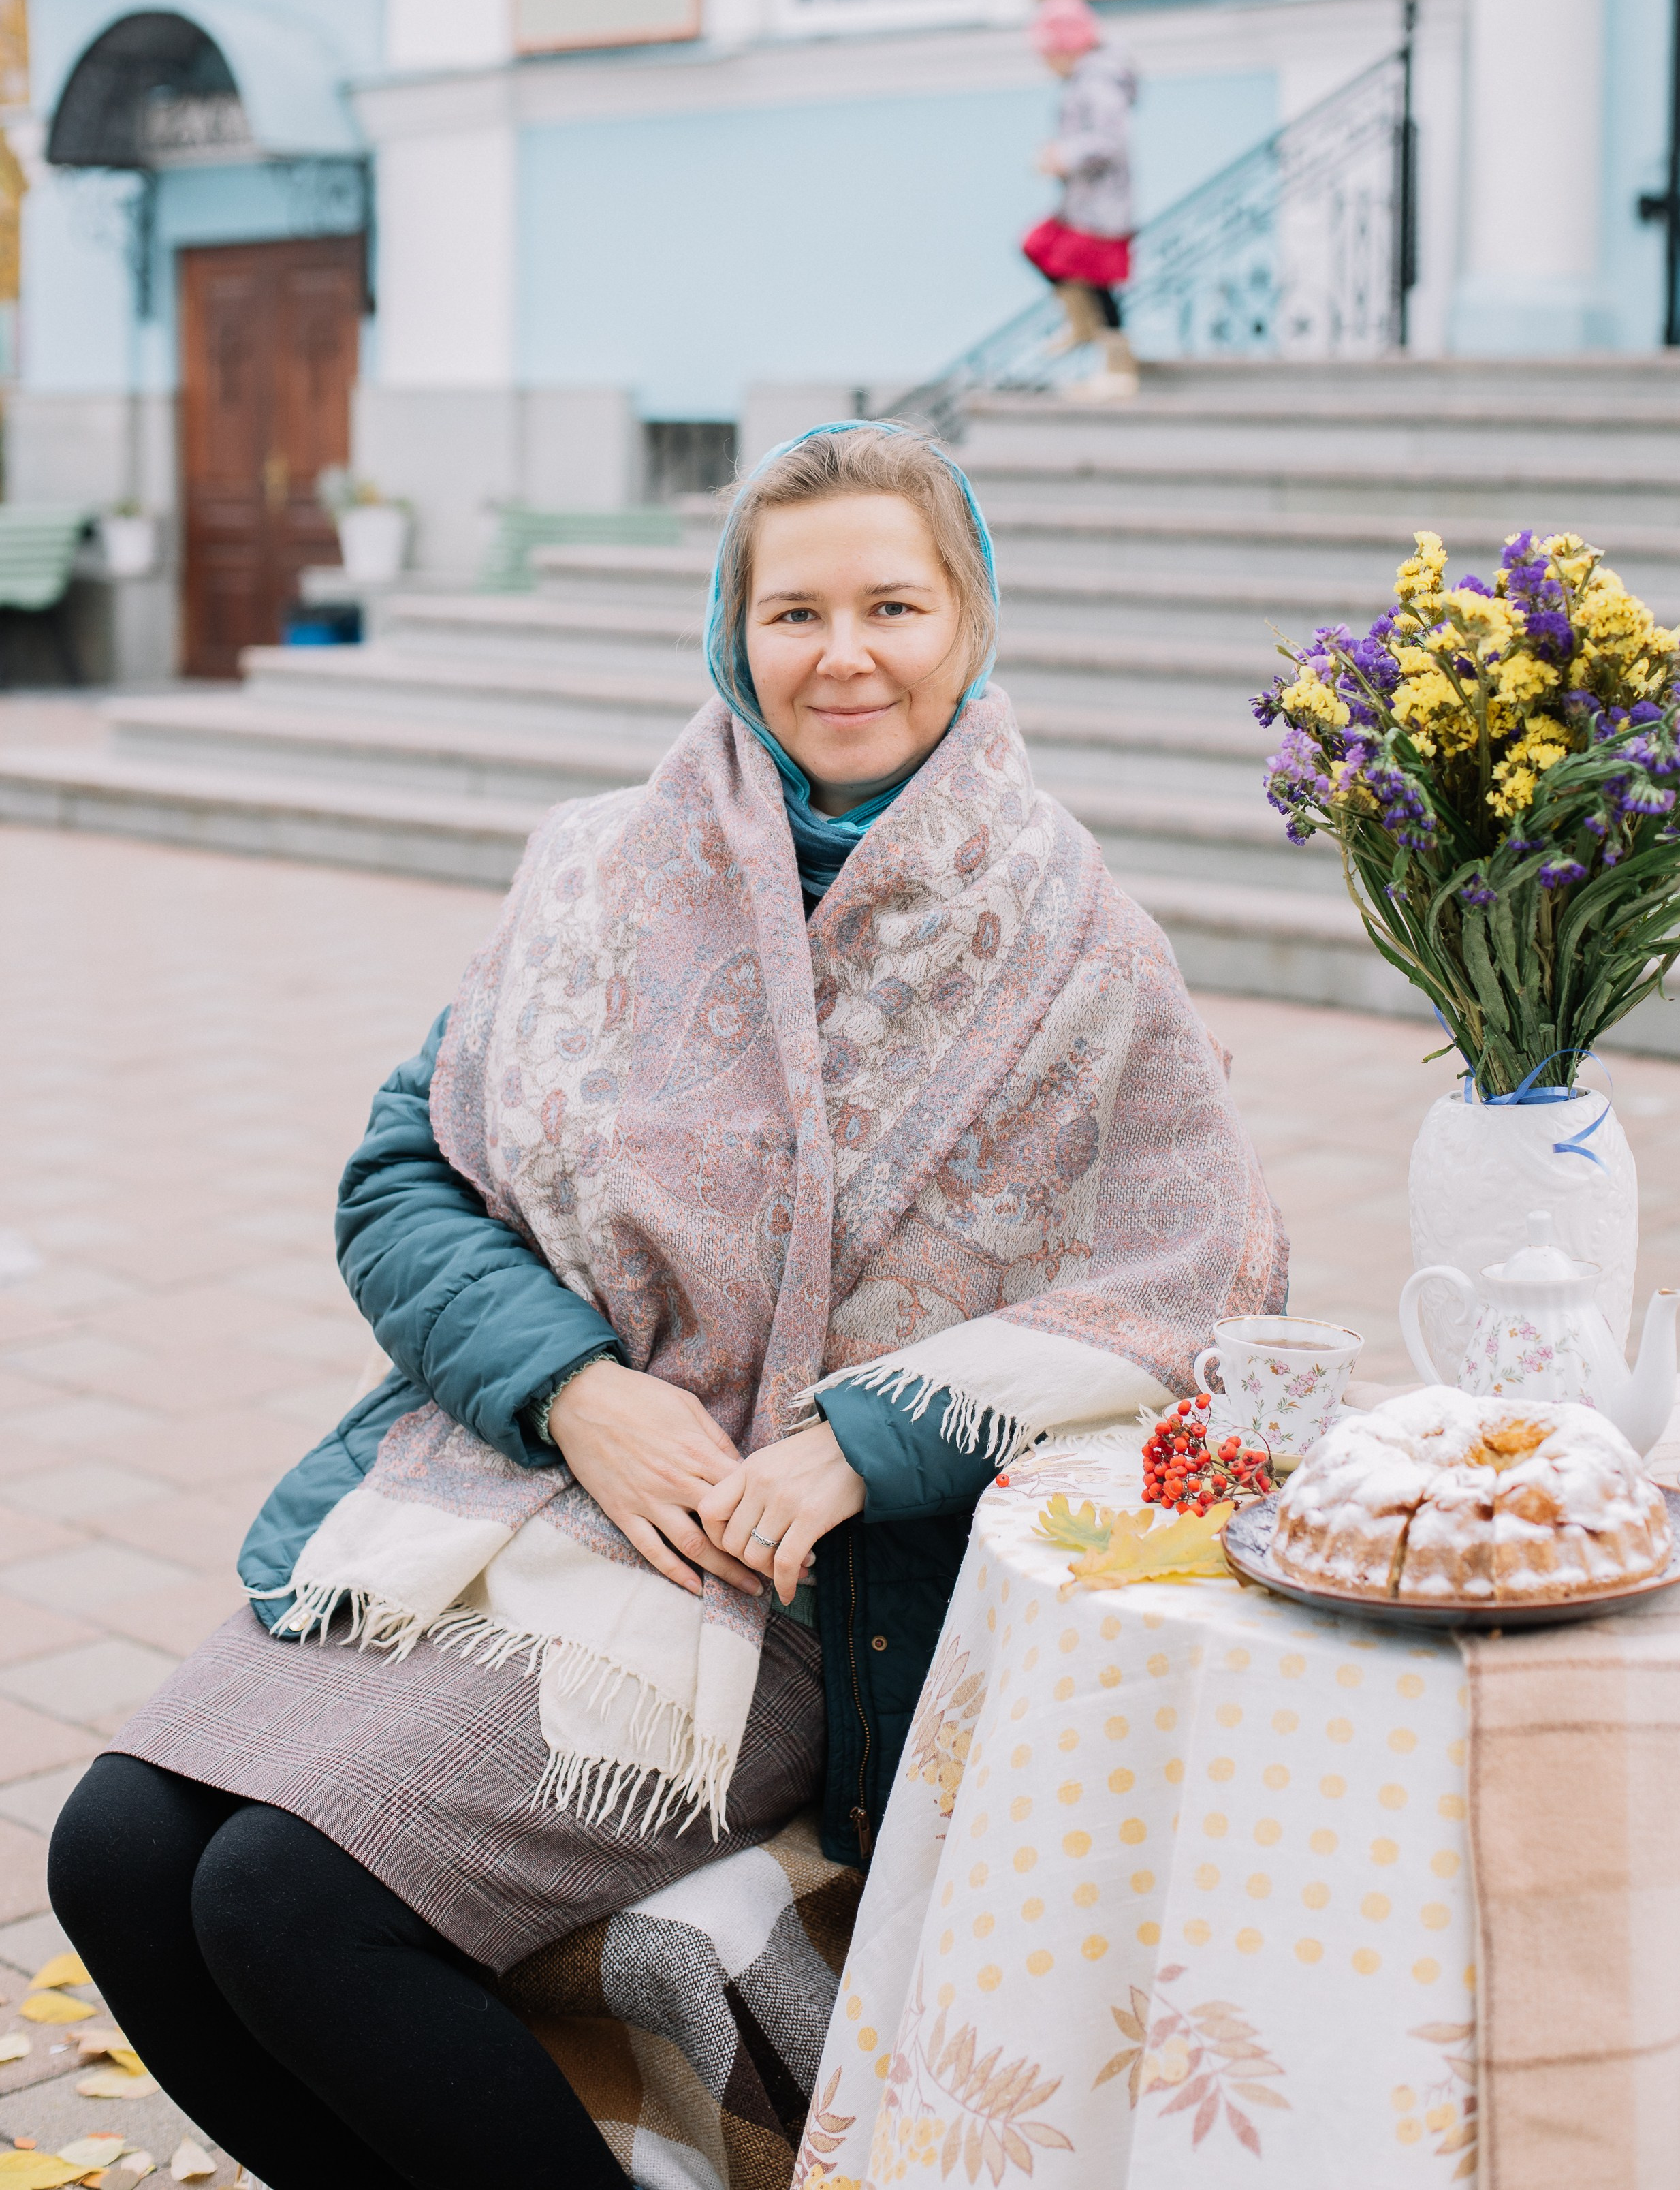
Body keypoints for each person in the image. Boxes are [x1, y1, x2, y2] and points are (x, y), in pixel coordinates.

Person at [47, 423, 1286, 2190]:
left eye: (891, 603)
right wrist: (571, 1389)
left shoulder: (1074, 941)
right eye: (794, 608)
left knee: (285, 1899)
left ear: (972, 617)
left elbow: (1193, 1279)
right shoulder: (599, 875)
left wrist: (864, 1443)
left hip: (781, 1571)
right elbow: (406, 1178)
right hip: (513, 1483)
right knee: (111, 1847)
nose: (841, 651)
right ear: (731, 628)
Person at [1021, 0, 1142, 399]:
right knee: (1046, 250)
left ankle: (1118, 369)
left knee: (1099, 282)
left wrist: (1064, 156)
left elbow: (1110, 141)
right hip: (1084, 204)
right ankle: (1083, 327)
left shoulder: (1099, 80)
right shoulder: (1088, 79)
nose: (1044, 62)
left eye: (1048, 52)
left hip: (1102, 208)